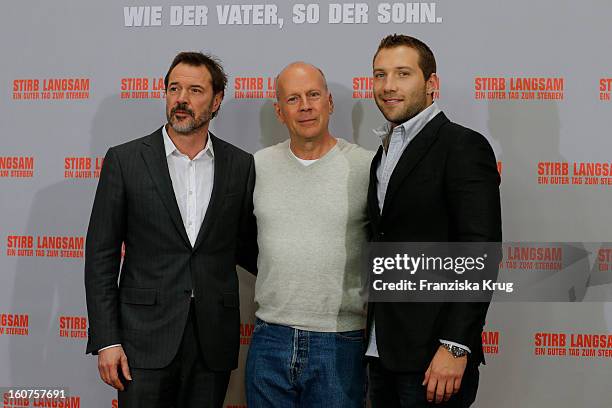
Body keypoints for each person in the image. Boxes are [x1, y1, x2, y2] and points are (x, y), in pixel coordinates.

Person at [84, 51, 256, 408]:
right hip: (141, 341)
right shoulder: (126, 160)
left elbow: (250, 248)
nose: (181, 99)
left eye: (195, 90)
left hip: (212, 343)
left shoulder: (240, 165)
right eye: (174, 88)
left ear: (217, 100)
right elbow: (100, 256)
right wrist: (107, 340)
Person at [366, 34, 502, 407]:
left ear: (431, 84)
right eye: (380, 75)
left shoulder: (461, 146)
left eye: (402, 73)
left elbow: (480, 252)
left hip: (433, 358)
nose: (388, 86)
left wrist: (456, 346)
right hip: (379, 353)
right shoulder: (383, 154)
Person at [245, 62, 374, 407]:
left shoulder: (366, 166)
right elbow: (242, 241)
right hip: (269, 337)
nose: (305, 106)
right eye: (293, 98)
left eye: (314, 95)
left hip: (340, 342)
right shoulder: (257, 166)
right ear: (279, 111)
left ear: (329, 103)